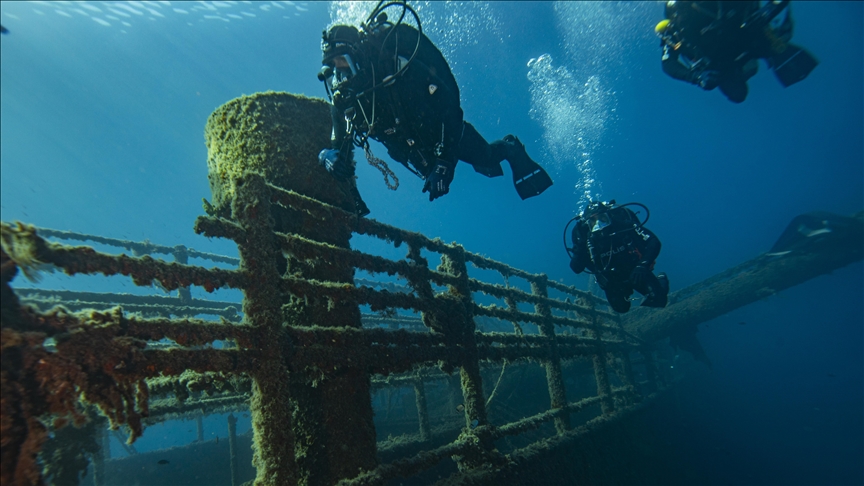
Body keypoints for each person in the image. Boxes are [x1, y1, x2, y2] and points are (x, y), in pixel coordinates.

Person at [317, 1, 552, 216]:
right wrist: (325, 156)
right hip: (415, 152)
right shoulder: (348, 102)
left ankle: (510, 147)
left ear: (357, 54)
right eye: (333, 70)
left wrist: (445, 161)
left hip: (447, 133)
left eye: (343, 63)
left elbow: (449, 106)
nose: (341, 78)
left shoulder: (397, 69)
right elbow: (339, 147)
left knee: (486, 157)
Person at [655, 1, 818, 103]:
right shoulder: (675, 18)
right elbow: (668, 62)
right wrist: (695, 77)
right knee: (737, 95)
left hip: (747, 36)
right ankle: (762, 52)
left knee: (770, 46)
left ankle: (771, 45)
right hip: (721, 59)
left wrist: (771, 8)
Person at [565, 200, 669, 313]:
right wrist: (581, 249)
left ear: (609, 215)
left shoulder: (622, 223)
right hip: (612, 278)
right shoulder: (584, 236)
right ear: (587, 223)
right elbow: (576, 268)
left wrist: (643, 265)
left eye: (602, 217)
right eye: (592, 220)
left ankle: (661, 279)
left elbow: (653, 241)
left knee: (660, 300)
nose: (598, 223)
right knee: (621, 308)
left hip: (635, 270)